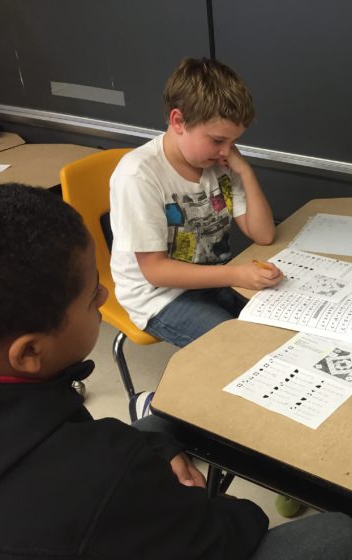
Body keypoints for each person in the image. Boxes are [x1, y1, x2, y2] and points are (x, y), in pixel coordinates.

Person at [0, 183, 352, 560]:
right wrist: (214, 506)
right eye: (93, 295)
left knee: (163, 423)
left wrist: (152, 448)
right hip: (144, 529)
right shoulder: (102, 476)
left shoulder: (58, 425)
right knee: (339, 537)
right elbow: (225, 538)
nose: (105, 295)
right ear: (29, 353)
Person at [110, 57, 283, 349]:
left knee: (281, 331)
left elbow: (264, 234)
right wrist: (237, 274)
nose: (226, 151)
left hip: (213, 277)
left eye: (234, 141)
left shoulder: (222, 162)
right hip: (159, 296)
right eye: (217, 140)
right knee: (242, 348)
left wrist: (245, 171)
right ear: (178, 121)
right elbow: (155, 270)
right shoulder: (138, 174)